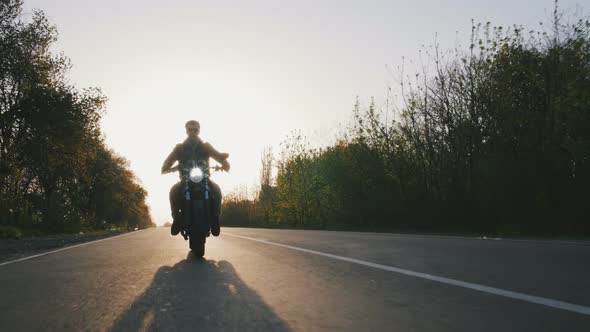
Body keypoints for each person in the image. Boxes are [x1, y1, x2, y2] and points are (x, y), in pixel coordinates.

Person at [161, 120, 230, 237]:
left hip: (204, 179)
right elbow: (169, 159)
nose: (192, 132)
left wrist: (224, 163)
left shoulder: (206, 146)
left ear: (199, 131)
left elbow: (217, 155)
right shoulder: (179, 148)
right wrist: (166, 167)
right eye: (190, 129)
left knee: (217, 190)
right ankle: (177, 219)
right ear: (186, 131)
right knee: (173, 191)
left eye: (195, 129)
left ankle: (215, 219)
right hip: (185, 179)